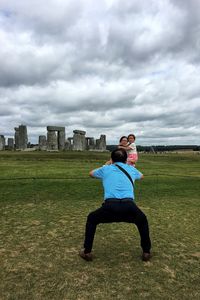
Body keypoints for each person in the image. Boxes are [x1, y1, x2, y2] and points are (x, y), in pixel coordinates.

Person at [79, 148, 151, 262]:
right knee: (142, 220)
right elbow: (141, 176)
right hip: (129, 205)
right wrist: (128, 165)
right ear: (126, 159)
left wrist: (108, 163)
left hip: (110, 206)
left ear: (112, 159)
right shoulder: (131, 169)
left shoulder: (106, 169)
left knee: (92, 219)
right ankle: (146, 252)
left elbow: (91, 173)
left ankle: (87, 252)